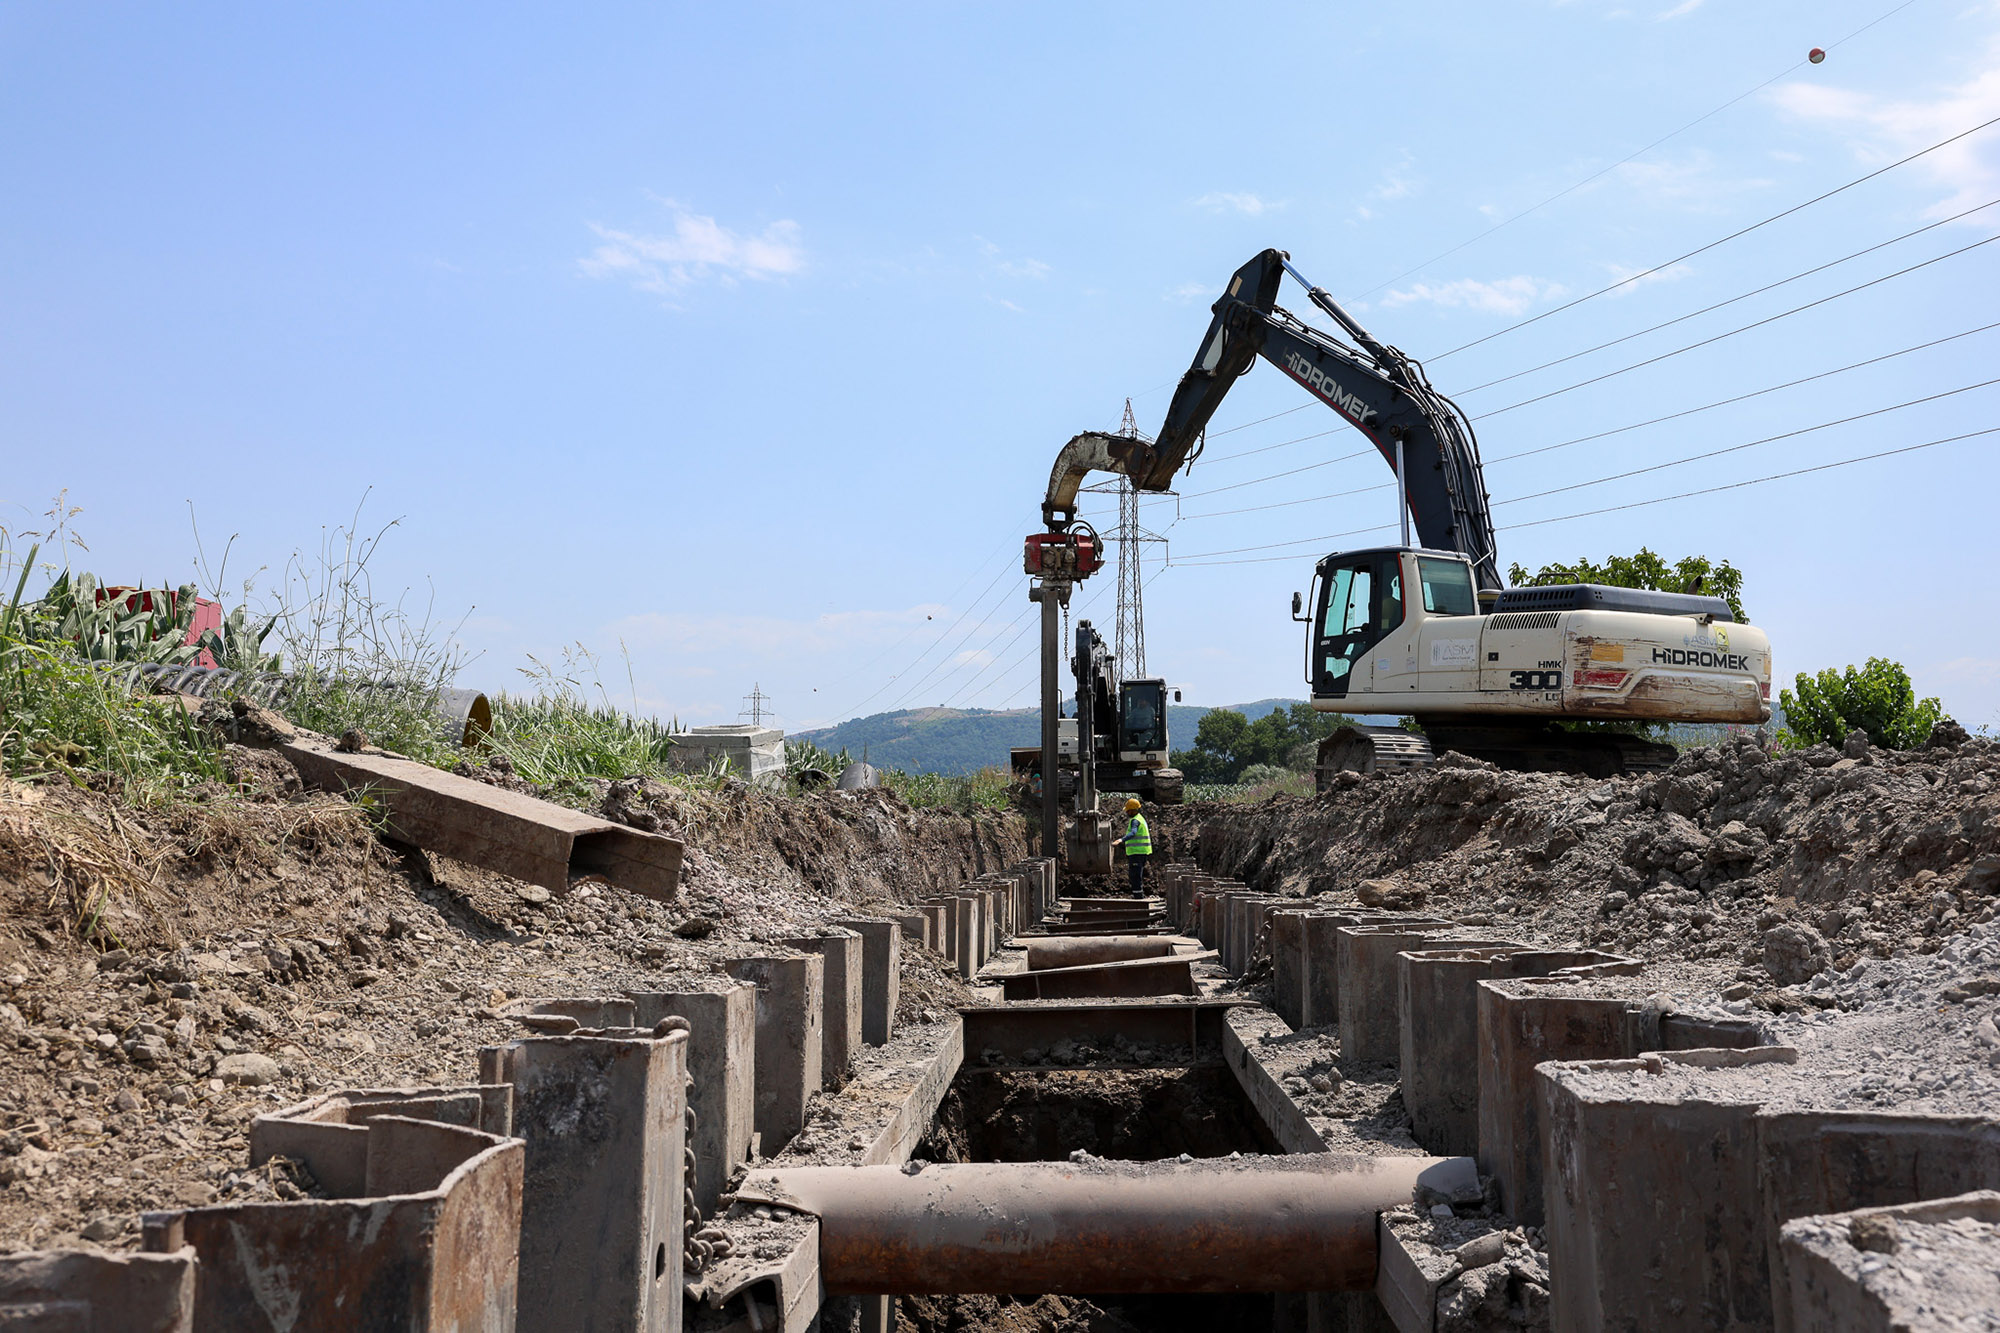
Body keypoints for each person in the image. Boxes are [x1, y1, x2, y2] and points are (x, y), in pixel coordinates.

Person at [1121, 797, 1151, 894]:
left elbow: (1133, 833)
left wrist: (1121, 840)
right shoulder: (1140, 818)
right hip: (1140, 852)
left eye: (1128, 811)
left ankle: (1138, 897)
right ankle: (1138, 895)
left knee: (1135, 876)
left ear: (1133, 810)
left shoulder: (1135, 820)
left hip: (1137, 852)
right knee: (1136, 875)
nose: (1127, 813)